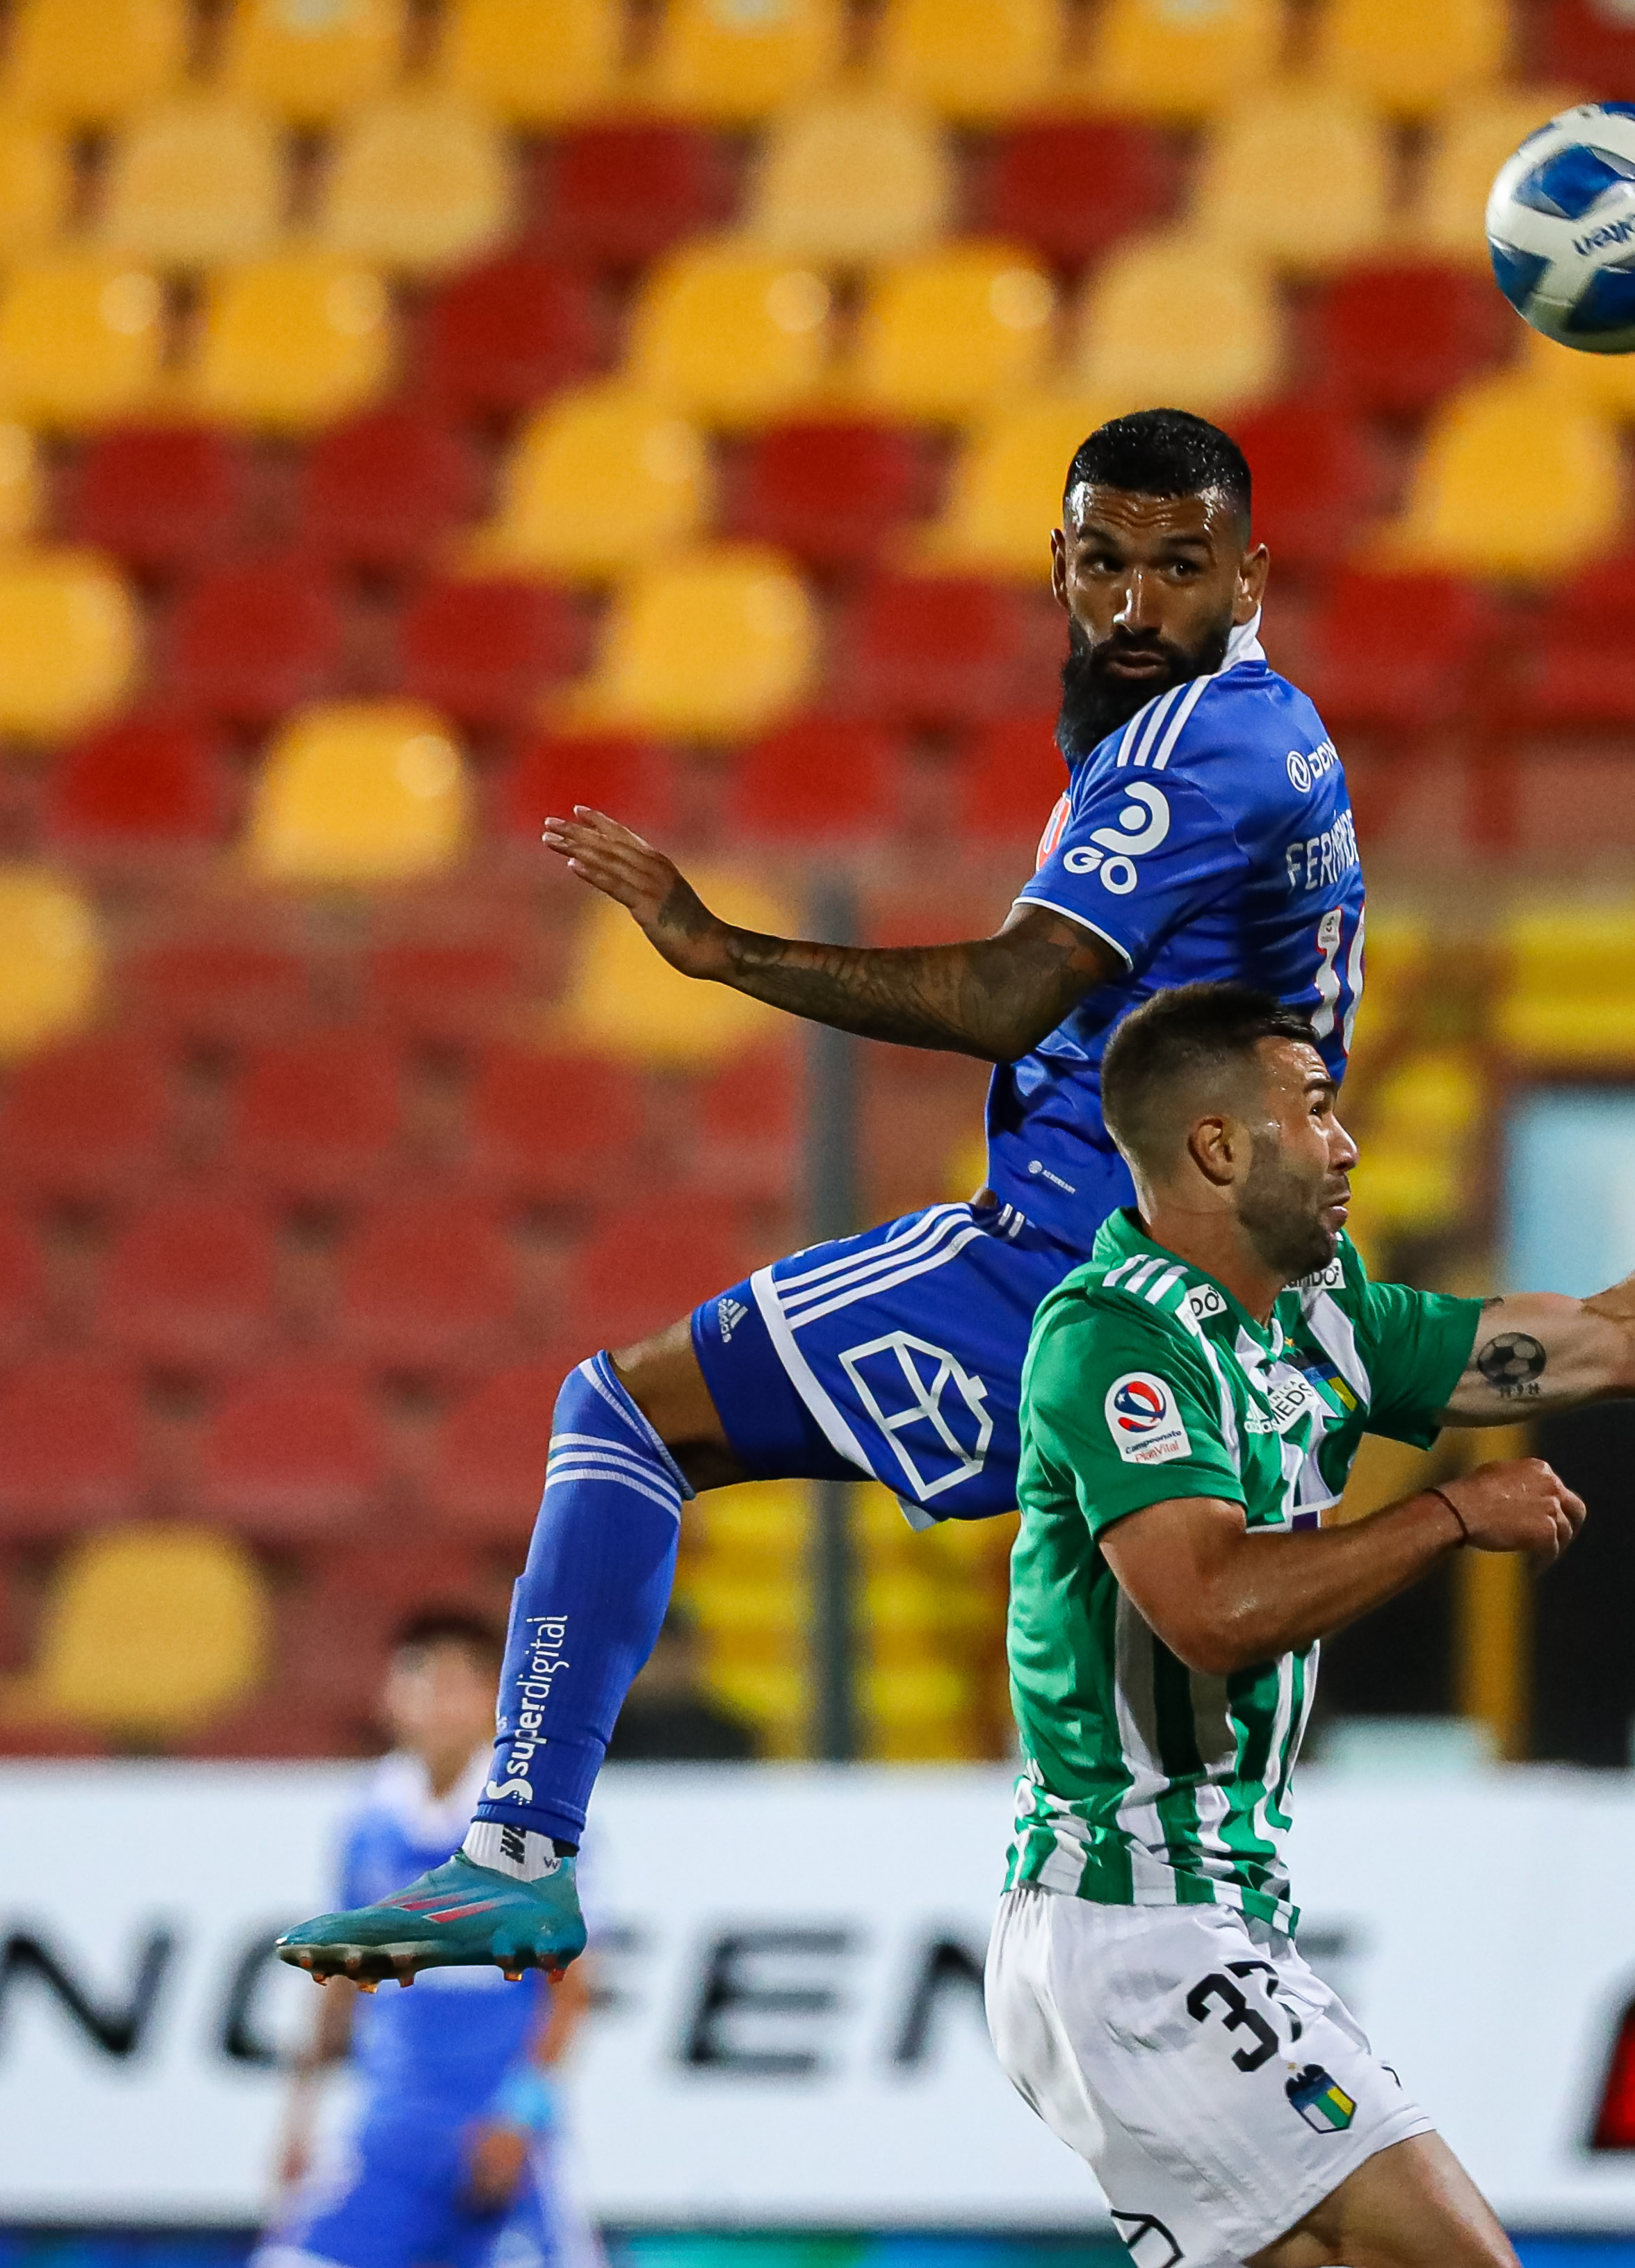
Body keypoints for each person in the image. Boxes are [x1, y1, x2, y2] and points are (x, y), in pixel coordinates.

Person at [283, 409, 1373, 1982]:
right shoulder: (1224, 727)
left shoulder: (1208, 747)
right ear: (1059, 563)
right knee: (1158, 1863)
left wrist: (726, 951)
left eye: (1180, 571)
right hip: (1219, 1313)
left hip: (1080, 1278)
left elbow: (1010, 994)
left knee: (627, 1414)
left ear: (1250, 573)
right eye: (1104, 564)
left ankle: (513, 1852)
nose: (1135, 608)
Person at [990, 984, 1635, 2268]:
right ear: (1217, 1147)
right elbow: (1207, 1607)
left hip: (1193, 1919)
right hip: (1134, 1924)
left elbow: (1624, 1337)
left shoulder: (1321, 1324)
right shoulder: (1118, 1341)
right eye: (1314, 1111)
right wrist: (1450, 1516)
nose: (1348, 1142)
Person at [263, 1609, 598, 2268]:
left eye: (456, 1685)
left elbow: (570, 1994)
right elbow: (338, 1987)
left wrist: (519, 2117)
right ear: (391, 1697)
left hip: (493, 2135)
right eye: (420, 1681)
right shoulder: (368, 1824)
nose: (436, 1703)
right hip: (387, 2136)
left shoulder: (535, 1825)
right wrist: (300, 2117)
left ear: (490, 1704)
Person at [603, 1609, 757, 1763]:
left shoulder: (730, 1738)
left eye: (676, 1654)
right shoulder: (603, 1736)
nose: (665, 1667)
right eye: (657, 1655)